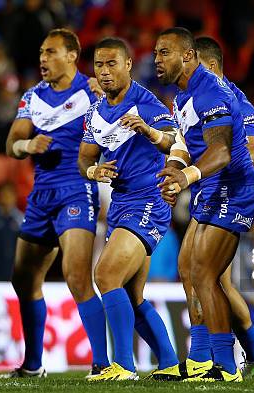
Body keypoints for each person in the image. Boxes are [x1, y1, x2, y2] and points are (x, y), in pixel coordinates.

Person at [155, 27, 254, 382]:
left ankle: (225, 365)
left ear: (187, 56)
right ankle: (200, 360)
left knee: (205, 273)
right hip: (212, 185)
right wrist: (173, 169)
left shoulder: (211, 90)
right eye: (156, 53)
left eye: (164, 53)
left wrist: (186, 179)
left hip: (235, 188)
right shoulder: (181, 95)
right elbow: (185, 144)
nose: (156, 61)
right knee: (187, 268)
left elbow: (221, 150)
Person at [1, 29, 104, 378]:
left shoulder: (92, 90)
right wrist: (27, 147)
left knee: (77, 276)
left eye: (51, 52)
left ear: (73, 55)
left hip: (77, 188)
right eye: (42, 52)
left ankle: (103, 364)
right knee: (23, 279)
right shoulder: (33, 96)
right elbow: (12, 141)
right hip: (41, 195)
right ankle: (32, 365)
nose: (43, 59)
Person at [78, 37, 179, 381]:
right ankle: (169, 361)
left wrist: (150, 131)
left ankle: (122, 366)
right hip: (121, 204)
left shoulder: (145, 102)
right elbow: (84, 158)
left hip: (149, 200)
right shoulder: (96, 112)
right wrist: (95, 171)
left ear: (127, 65)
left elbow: (174, 141)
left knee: (105, 275)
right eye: (99, 65)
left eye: (111, 64)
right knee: (132, 296)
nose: (104, 72)